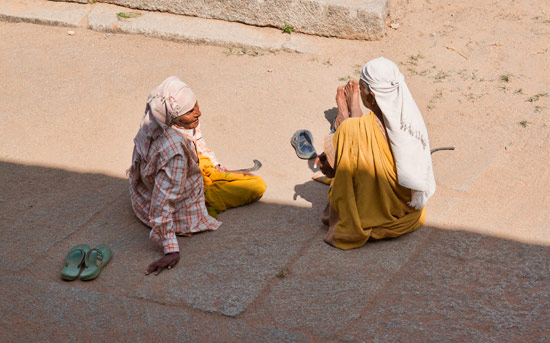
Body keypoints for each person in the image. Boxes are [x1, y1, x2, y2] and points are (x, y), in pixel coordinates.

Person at [128, 76, 266, 274]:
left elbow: (198, 141)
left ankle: (212, 176)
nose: (198, 113)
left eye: (196, 105)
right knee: (256, 186)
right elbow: (162, 203)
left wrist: (217, 167)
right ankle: (206, 204)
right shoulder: (174, 152)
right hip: (184, 197)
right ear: (175, 116)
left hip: (178, 177)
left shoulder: (157, 120)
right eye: (191, 111)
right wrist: (170, 249)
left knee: (209, 165)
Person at [315, 57, 435, 250]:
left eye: (361, 88)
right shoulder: (411, 121)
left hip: (371, 214)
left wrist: (332, 154)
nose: (361, 91)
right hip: (406, 212)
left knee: (347, 134)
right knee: (354, 132)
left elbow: (333, 168)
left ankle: (348, 117)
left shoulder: (355, 131)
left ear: (370, 95)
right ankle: (353, 113)